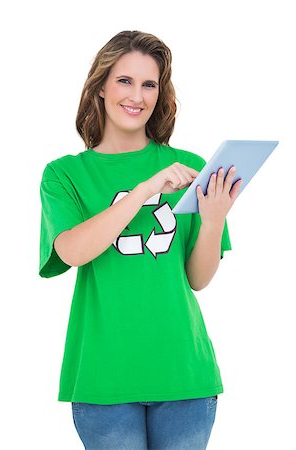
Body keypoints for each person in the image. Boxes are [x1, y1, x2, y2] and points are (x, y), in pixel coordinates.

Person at [39, 30, 242, 450]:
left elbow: (198, 279)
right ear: (99, 88)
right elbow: (73, 251)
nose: (137, 95)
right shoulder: (64, 174)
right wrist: (146, 189)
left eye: (149, 84)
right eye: (124, 81)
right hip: (103, 378)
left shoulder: (189, 167)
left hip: (185, 374)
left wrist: (213, 219)